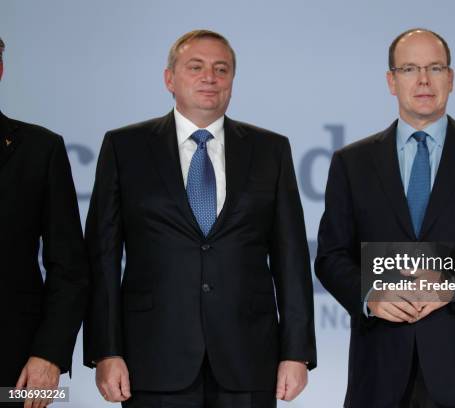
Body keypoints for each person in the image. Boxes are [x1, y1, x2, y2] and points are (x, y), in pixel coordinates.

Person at [83, 29, 316, 407]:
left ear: (232, 82)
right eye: (196, 67)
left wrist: (297, 352)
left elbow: (291, 258)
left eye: (221, 69)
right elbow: (103, 257)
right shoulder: (125, 148)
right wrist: (106, 351)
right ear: (169, 79)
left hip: (249, 359)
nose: (210, 77)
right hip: (153, 358)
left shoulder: (271, 149)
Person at [315, 28, 455, 408]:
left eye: (435, 68)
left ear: (451, 79)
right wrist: (370, 294)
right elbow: (331, 256)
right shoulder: (352, 162)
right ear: (391, 81)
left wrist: (452, 283)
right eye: (409, 69)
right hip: (380, 368)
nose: (423, 80)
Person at [0, 36, 89, 407]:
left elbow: (69, 266)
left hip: (17, 369)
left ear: (1, 69)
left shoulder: (41, 149)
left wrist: (51, 356)